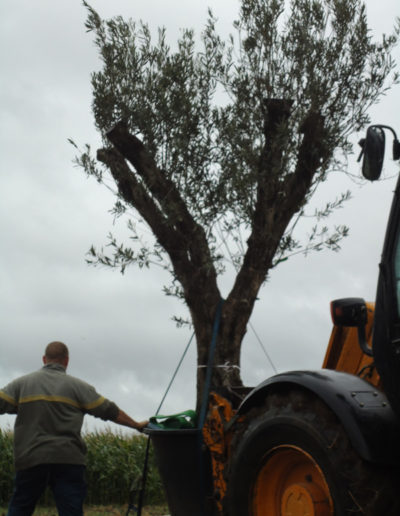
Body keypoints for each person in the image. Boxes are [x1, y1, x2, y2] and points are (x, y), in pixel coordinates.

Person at [0, 341, 149, 516]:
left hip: (31, 457)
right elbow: (109, 410)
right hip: (68, 459)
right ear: (66, 361)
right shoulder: (79, 387)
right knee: (71, 511)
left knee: (21, 507)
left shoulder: (21, 384)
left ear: (44, 359)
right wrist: (136, 425)